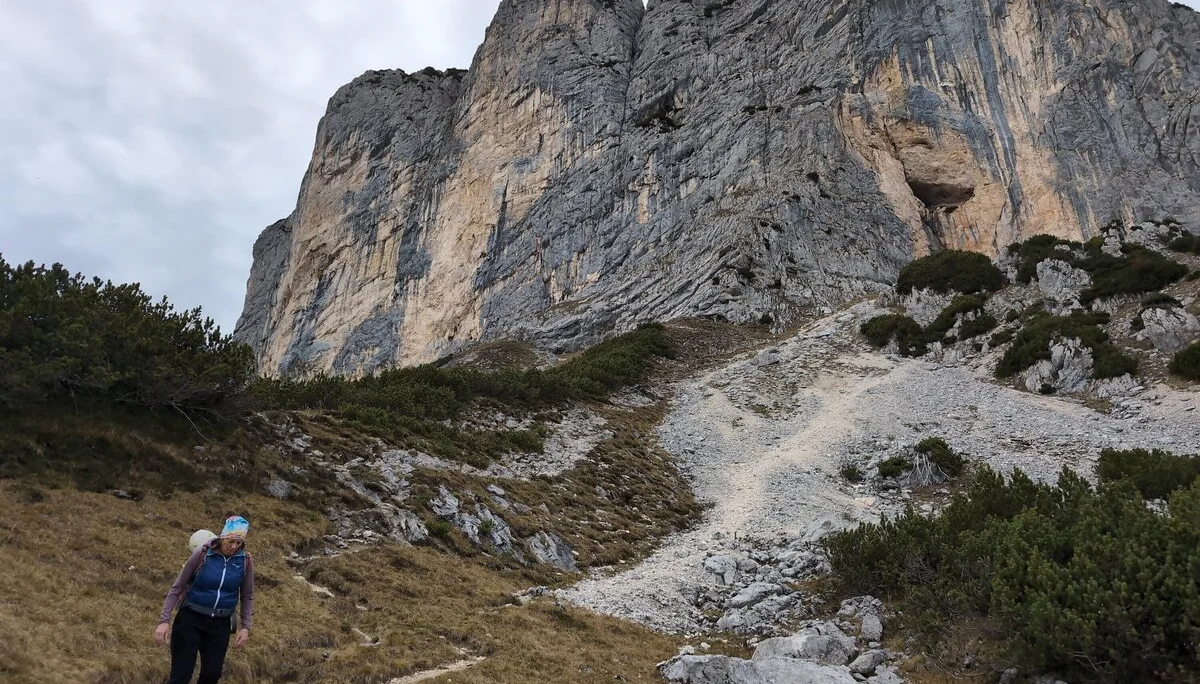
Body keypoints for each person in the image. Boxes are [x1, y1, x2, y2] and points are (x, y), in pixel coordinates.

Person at [155, 516, 255, 684]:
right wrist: (164, 621)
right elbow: (177, 588)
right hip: (190, 619)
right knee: (181, 675)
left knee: (211, 674)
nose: (234, 547)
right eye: (231, 541)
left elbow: (247, 595)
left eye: (238, 543)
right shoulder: (203, 554)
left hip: (220, 624)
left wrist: (246, 627)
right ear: (222, 536)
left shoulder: (245, 561)